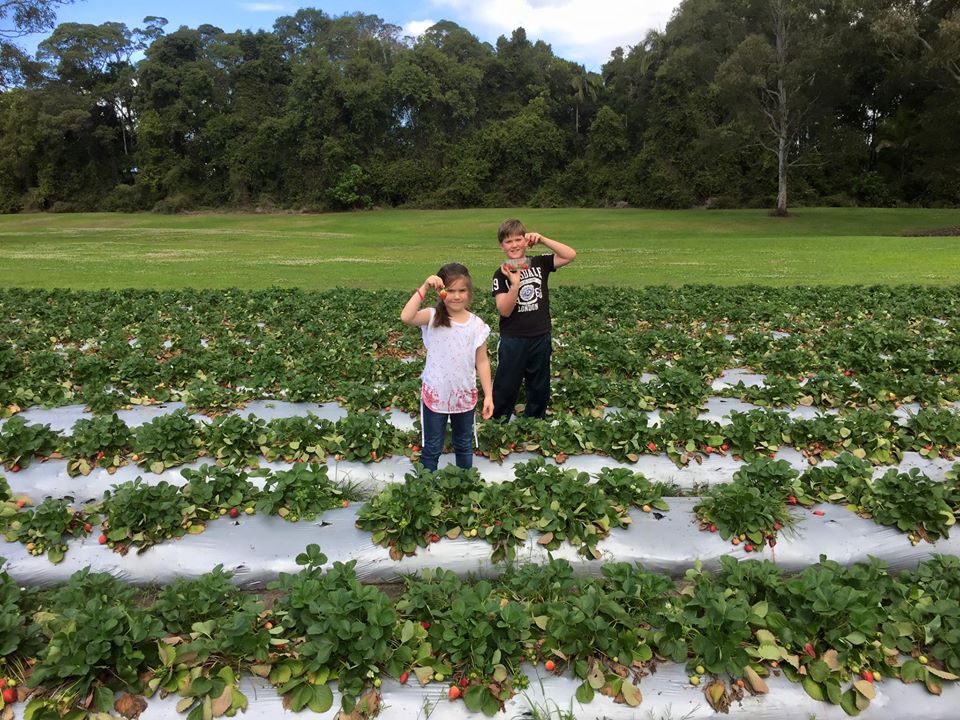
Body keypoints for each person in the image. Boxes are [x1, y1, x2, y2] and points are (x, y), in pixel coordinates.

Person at [401, 263, 494, 471]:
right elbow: (406, 317)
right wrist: (424, 287)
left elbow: (482, 361)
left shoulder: (477, 325)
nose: (457, 296)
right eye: (450, 290)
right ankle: (424, 491)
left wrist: (488, 395)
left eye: (462, 290)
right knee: (433, 447)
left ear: (470, 292)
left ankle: (464, 486)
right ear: (441, 292)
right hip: (436, 394)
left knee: (463, 444)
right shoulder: (432, 317)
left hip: (464, 394)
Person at [491, 219, 576, 420]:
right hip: (513, 338)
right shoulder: (502, 272)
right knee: (507, 383)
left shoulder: (539, 263)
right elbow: (504, 310)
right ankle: (498, 420)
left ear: (526, 240)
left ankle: (535, 421)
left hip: (540, 335)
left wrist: (543, 240)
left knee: (539, 383)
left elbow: (570, 255)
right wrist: (515, 284)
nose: (514, 245)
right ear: (502, 246)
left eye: (518, 239)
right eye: (508, 241)